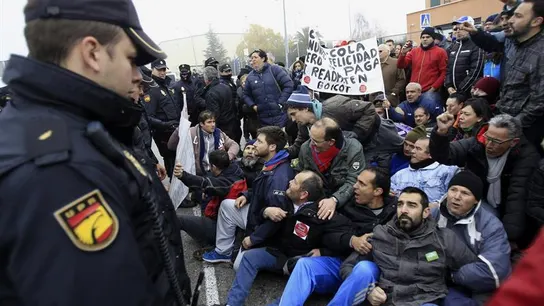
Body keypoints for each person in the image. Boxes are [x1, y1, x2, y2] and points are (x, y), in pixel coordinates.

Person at [0, 0, 192, 304]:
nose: (138, 74)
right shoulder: (59, 171)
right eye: (130, 59)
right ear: (92, 53)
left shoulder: (78, 127)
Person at [223, 171, 354, 306]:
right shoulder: (285, 198)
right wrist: (266, 211)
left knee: (294, 292)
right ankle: (232, 303)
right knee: (249, 257)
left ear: (304, 194)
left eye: (295, 181)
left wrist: (323, 252)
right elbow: (259, 196)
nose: (290, 181)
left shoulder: (323, 213)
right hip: (280, 254)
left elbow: (344, 242)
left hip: (300, 264)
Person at [332, 187, 478, 306]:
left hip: (423, 301)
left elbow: (473, 269)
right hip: (385, 300)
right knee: (364, 267)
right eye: (400, 204)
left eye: (412, 205)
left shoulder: (444, 238)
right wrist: (369, 291)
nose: (404, 210)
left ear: (426, 212)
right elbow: (348, 267)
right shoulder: (381, 233)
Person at [276, 167, 397, 306]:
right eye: (356, 181)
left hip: (372, 269)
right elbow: (328, 235)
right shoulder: (344, 204)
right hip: (340, 262)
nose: (355, 186)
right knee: (305, 264)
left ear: (377, 191)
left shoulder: (394, 212)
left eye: (362, 184)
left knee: (364, 269)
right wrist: (351, 241)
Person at [431, 113, 540, 252]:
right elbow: (446, 155)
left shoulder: (527, 157)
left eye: (497, 141)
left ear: (513, 142)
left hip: (505, 210)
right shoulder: (478, 143)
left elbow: (517, 197)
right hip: (479, 201)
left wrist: (507, 237)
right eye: (488, 138)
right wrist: (441, 133)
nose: (489, 144)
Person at [202, 126, 294, 263]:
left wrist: (253, 239)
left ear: (272, 147)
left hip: (266, 229)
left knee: (239, 266)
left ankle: (282, 263)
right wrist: (246, 195)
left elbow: (275, 220)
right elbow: (260, 190)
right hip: (256, 214)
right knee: (227, 205)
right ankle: (223, 252)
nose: (254, 144)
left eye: (259, 141)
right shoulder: (271, 163)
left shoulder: (279, 176)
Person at [433, 171, 511, 305]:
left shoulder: (490, 224)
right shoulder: (434, 215)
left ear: (476, 200)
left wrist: (452, 276)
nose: (456, 197)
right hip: (437, 281)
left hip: (478, 288)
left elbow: (494, 272)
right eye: (453, 190)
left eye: (465, 193)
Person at [297, 118, 365, 218]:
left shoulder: (353, 149)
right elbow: (302, 174)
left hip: (345, 200)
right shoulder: (305, 149)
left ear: (331, 142)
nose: (311, 144)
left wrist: (334, 199)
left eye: (315, 141)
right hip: (316, 200)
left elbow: (354, 180)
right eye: (310, 138)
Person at [175, 150, 245, 247]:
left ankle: (210, 243)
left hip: (223, 229)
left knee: (178, 219)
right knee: (199, 195)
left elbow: (206, 183)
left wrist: (182, 175)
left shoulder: (226, 183)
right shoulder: (236, 170)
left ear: (213, 166)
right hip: (233, 225)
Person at [391, 137, 458, 203]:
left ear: (431, 154)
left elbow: (452, 196)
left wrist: (436, 205)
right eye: (414, 147)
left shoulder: (446, 171)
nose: (412, 151)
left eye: (418, 149)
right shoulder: (399, 175)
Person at [144, 58, 180, 178]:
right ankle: (175, 191)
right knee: (171, 162)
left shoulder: (167, 85)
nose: (162, 72)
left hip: (175, 130)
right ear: (152, 70)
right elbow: (148, 117)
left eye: (164, 69)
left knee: (179, 160)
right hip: (163, 134)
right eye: (159, 70)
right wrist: (166, 125)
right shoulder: (151, 89)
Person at [243, 49, 294, 128]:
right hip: (263, 118)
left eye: (255, 57)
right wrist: (253, 106)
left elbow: (288, 85)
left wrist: (281, 102)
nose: (253, 60)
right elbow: (246, 95)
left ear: (263, 58)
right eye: (251, 58)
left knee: (281, 138)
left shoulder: (275, 70)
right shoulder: (250, 77)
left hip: (280, 114)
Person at [397, 27, 448, 106]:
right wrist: (403, 54)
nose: (425, 39)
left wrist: (433, 88)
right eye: (423, 37)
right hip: (414, 91)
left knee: (427, 115)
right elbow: (401, 65)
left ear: (433, 39)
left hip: (430, 92)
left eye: (428, 37)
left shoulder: (440, 52)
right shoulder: (414, 51)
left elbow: (444, 72)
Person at [445, 16, 485, 96]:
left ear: (470, 28)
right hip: (452, 92)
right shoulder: (453, 46)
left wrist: (461, 90)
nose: (458, 31)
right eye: (456, 29)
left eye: (462, 28)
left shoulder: (477, 45)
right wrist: (448, 85)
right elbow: (448, 69)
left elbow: (476, 71)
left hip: (468, 93)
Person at [201, 66, 239, 142]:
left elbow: (214, 114)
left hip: (222, 127)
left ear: (206, 79)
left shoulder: (211, 93)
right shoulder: (226, 87)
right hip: (231, 123)